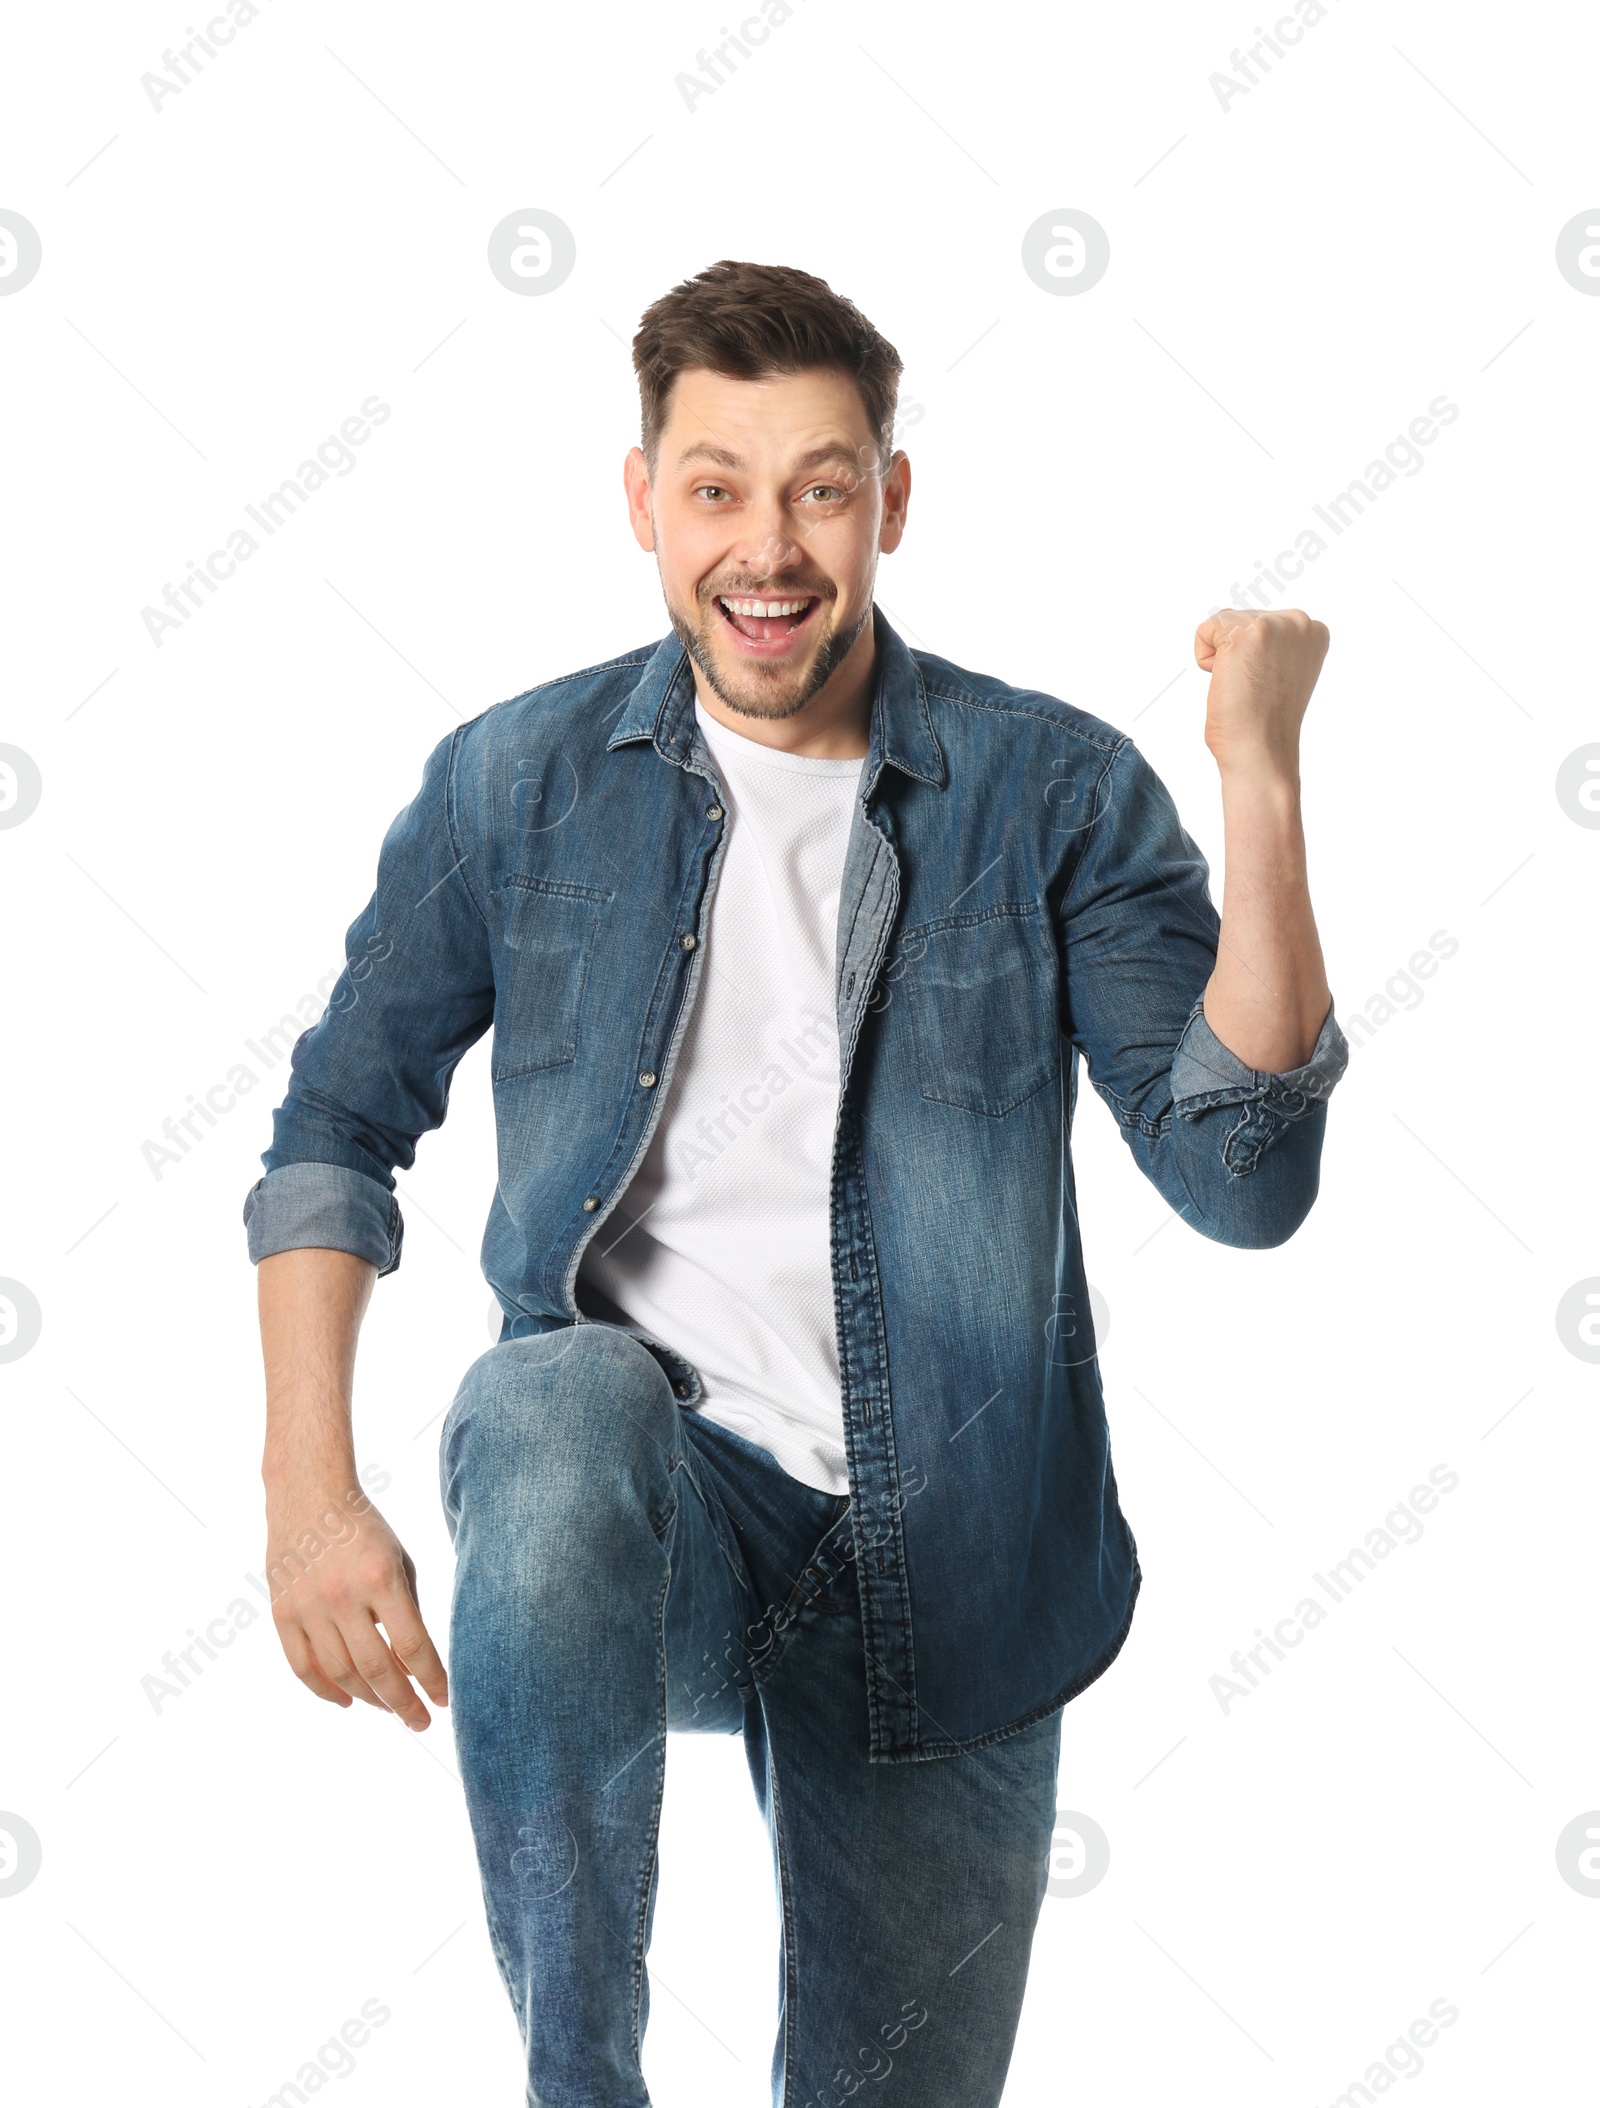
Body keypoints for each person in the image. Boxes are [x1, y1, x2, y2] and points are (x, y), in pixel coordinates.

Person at [245, 257, 1347, 2107]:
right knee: (547, 1399)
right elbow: (334, 1129)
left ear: (891, 503)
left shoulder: (1053, 789)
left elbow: (1245, 1177)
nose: (770, 548)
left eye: (822, 486)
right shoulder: (514, 784)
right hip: (652, 1520)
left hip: (963, 1562)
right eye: (718, 487)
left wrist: (1261, 782)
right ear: (642, 500)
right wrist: (305, 1492)